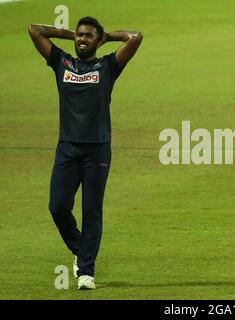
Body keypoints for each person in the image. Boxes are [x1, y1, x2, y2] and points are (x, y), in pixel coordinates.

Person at [28, 17, 143, 290]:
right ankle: (81, 250)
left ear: (98, 39)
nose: (83, 39)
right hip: (67, 147)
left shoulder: (108, 66)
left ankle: (86, 271)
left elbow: (135, 37)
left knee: (92, 210)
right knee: (58, 207)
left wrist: (106, 37)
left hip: (97, 148)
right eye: (80, 35)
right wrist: (71, 35)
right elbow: (34, 30)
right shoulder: (62, 62)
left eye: (89, 36)